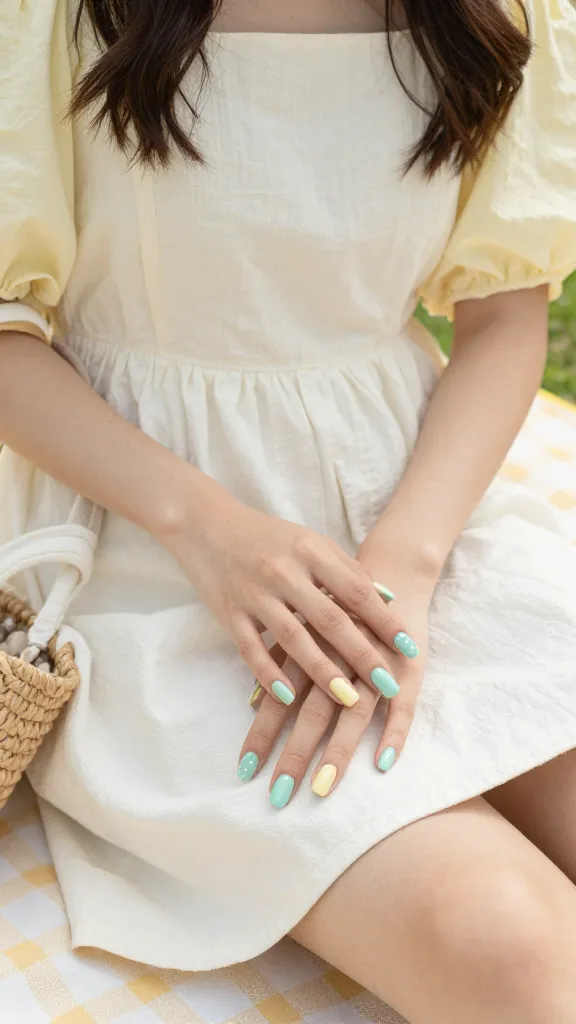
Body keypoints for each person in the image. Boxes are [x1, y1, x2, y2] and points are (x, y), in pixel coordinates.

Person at [1, 0, 576, 1020]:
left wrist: (406, 563)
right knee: (512, 950)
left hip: (414, 512)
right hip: (149, 545)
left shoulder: (509, 11)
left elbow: (504, 318)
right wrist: (209, 531)